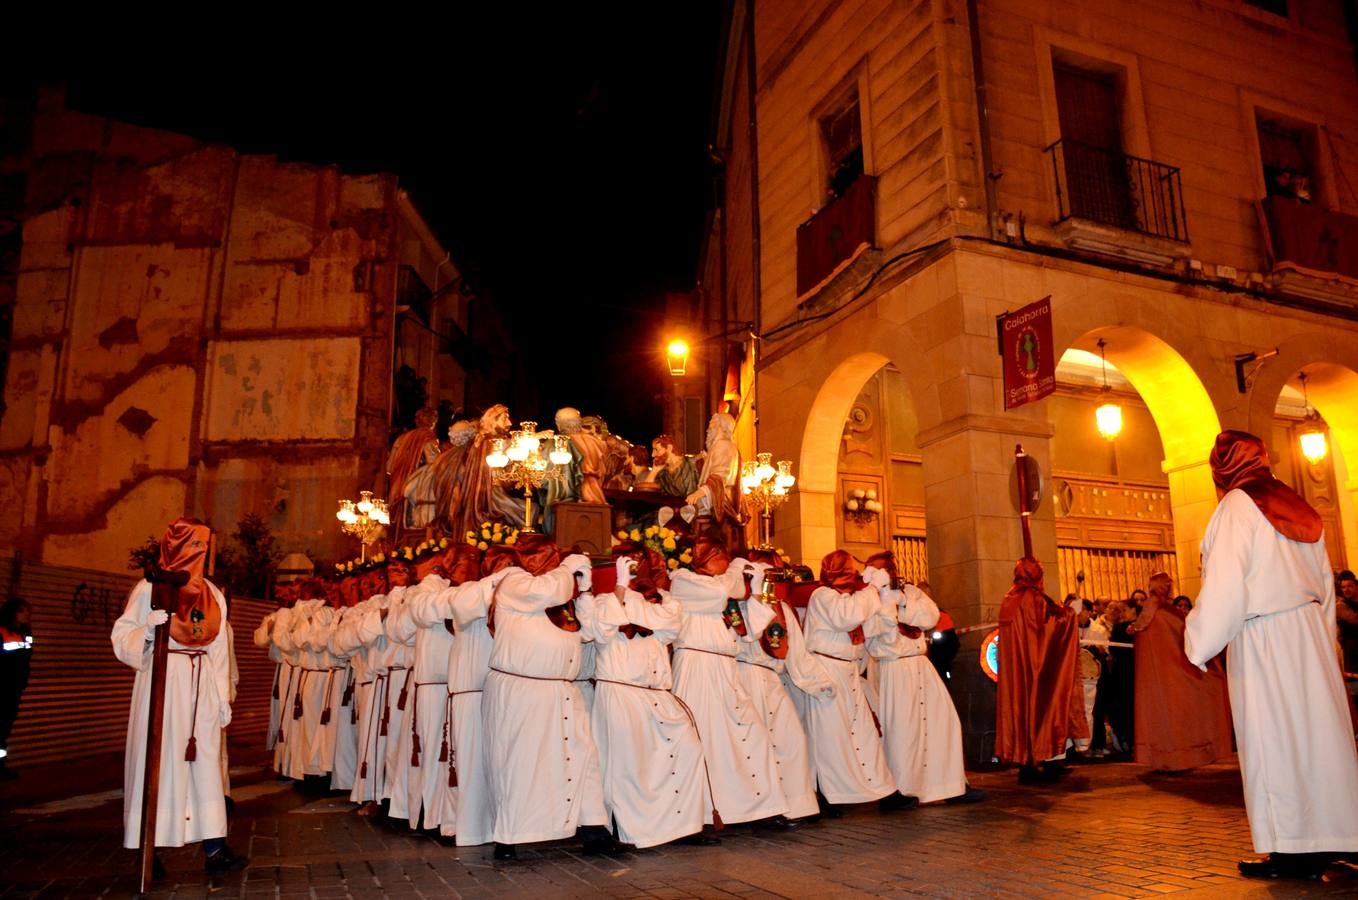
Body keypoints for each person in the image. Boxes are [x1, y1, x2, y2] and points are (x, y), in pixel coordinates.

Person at [1186, 430, 1358, 879]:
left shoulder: (1236, 509)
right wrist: (1325, 646)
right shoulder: (1301, 507)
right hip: (1309, 637)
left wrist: (1198, 642)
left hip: (1264, 636)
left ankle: (1292, 850)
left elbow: (1225, 585)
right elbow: (1324, 587)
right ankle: (1338, 835)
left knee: (1274, 741)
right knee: (1320, 740)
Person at [110, 518, 246, 876]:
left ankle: (215, 847)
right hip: (164, 682)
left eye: (205, 547)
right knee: (159, 761)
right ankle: (147, 850)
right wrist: (149, 631)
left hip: (201, 686)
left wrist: (221, 698)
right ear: (177, 548)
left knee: (205, 766)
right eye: (196, 546)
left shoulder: (213, 595)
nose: (201, 554)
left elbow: (219, 648)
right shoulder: (149, 589)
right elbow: (122, 637)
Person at [480, 534, 611, 859]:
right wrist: (568, 570)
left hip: (562, 689)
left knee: (582, 756)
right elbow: (546, 590)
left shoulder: (559, 595)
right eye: (551, 559)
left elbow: (586, 634)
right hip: (523, 691)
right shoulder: (514, 582)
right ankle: (509, 836)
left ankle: (594, 828)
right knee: (522, 762)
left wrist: (583, 592)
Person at [576, 544, 713, 848]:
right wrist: (619, 589)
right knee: (629, 766)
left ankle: (682, 825)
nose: (637, 569)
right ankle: (633, 829)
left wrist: (652, 594)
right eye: (629, 564)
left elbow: (671, 628)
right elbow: (599, 631)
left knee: (686, 750)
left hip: (657, 693)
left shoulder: (658, 603)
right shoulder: (600, 601)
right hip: (621, 691)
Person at [669, 536, 792, 829]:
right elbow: (721, 593)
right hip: (697, 668)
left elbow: (747, 633)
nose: (724, 564)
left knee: (752, 735)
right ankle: (705, 813)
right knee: (707, 742)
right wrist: (737, 573)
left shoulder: (724, 588)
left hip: (726, 669)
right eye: (719, 558)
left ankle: (759, 808)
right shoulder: (683, 580)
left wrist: (758, 592)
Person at [865, 551, 983, 805]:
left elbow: (930, 617)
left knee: (944, 721)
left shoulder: (910, 591)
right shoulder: (866, 597)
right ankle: (900, 789)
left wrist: (903, 601)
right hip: (892, 669)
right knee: (901, 731)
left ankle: (952, 786)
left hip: (921, 665)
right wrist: (885, 604)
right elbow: (872, 630)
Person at [993, 557, 1086, 784]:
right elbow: (1051, 625)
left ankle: (1033, 762)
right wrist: (1071, 613)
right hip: (1036, 668)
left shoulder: (1009, 599)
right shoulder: (1034, 599)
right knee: (1040, 709)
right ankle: (1035, 763)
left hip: (1016, 672)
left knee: (1022, 711)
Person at [1127, 572, 1231, 772]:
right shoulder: (1171, 615)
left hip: (1154, 681)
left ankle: (1160, 757)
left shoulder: (1147, 616)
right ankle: (1182, 757)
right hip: (1177, 676)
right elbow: (1190, 640)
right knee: (1179, 716)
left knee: (1160, 717)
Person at [686, 413, 743, 549]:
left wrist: (697, 494)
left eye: (711, 424)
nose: (708, 429)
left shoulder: (722, 445)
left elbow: (718, 477)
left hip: (717, 502)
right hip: (714, 499)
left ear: (722, 427)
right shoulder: (722, 446)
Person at [387, 407, 442, 529]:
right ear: (433, 421)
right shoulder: (428, 437)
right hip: (416, 488)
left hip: (396, 488)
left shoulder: (401, 439)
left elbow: (389, 467)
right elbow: (434, 462)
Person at [0, 598, 33, 779]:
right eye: (22, 611)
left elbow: (25, 659)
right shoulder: (2, 632)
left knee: (4, 729)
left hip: (13, 689)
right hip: (3, 688)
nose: (26, 614)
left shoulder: (25, 633)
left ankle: (0, 766)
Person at [652, 434, 699, 500]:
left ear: (669, 448)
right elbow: (648, 492)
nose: (653, 455)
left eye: (656, 450)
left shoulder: (689, 464)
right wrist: (654, 471)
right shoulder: (662, 472)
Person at [1336, 570, 1358, 675]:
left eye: (1349, 586)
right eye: (1343, 587)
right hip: (1352, 650)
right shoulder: (1340, 605)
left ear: (1356, 586)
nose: (1346, 590)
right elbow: (1355, 619)